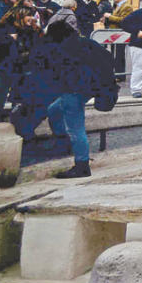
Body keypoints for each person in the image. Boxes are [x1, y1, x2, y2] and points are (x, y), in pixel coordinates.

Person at [17, 21, 119, 179]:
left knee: (75, 129)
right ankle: (63, 142)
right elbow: (108, 58)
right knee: (54, 110)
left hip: (73, 90)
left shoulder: (58, 49)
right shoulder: (85, 42)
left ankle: (82, 165)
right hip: (89, 88)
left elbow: (49, 72)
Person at [0, 6, 40, 130]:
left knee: (20, 105)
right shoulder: (2, 30)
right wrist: (8, 40)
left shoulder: (30, 31)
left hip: (21, 72)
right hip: (0, 72)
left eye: (32, 15)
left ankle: (19, 132)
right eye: (28, 15)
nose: (32, 18)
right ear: (19, 16)